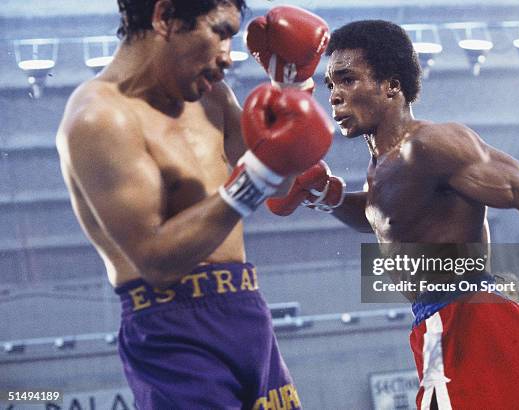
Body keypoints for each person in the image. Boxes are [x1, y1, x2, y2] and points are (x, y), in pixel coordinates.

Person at [267, 20, 519, 409]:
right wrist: (328, 197)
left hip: (473, 322)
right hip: (438, 325)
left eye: (347, 80)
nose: (334, 96)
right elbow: (380, 217)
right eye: (330, 85)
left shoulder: (429, 144)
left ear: (391, 86)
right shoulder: (382, 167)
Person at [55, 1, 333, 408]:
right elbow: (157, 261)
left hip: (246, 310)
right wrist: (260, 173)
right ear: (165, 17)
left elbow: (279, 178)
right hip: (173, 330)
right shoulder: (100, 118)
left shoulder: (212, 96)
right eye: (220, 32)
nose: (228, 55)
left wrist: (290, 89)